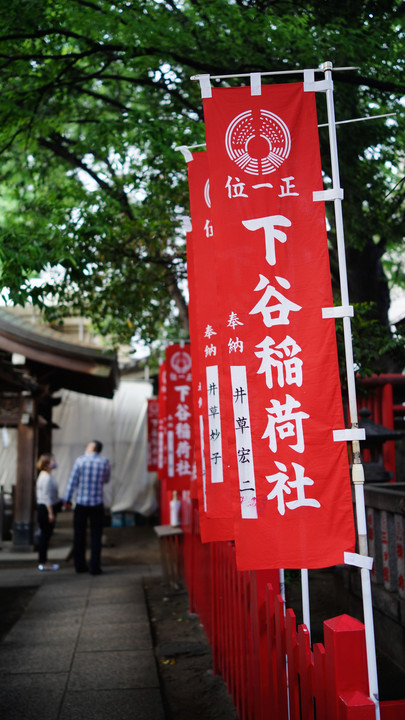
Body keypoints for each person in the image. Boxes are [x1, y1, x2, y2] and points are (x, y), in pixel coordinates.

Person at [63, 440, 110, 575]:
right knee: (96, 535)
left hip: (81, 503)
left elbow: (73, 481)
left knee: (79, 535)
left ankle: (80, 565)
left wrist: (67, 499)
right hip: (97, 503)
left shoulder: (80, 461)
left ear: (91, 448)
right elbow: (106, 480)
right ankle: (94, 567)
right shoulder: (104, 462)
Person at [36, 453, 60, 571]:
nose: (54, 463)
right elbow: (46, 497)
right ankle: (43, 561)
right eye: (52, 461)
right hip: (45, 509)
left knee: (45, 536)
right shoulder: (45, 477)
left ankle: (44, 560)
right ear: (47, 464)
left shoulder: (46, 476)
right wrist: (50, 512)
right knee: (45, 536)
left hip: (46, 508)